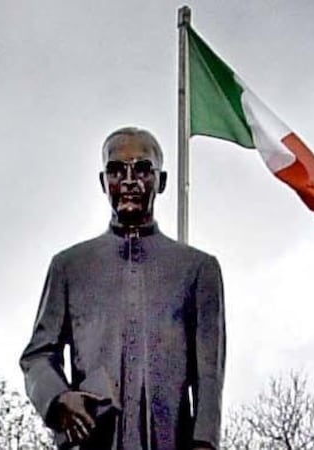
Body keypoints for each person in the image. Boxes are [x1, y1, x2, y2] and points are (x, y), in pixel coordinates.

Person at [19, 127, 226, 450]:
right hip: (95, 439)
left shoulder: (198, 269)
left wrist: (204, 443)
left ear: (161, 181)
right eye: (116, 170)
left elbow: (209, 373)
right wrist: (58, 398)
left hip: (169, 439)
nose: (129, 181)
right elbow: (38, 356)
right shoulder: (69, 266)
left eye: (142, 169)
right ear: (104, 182)